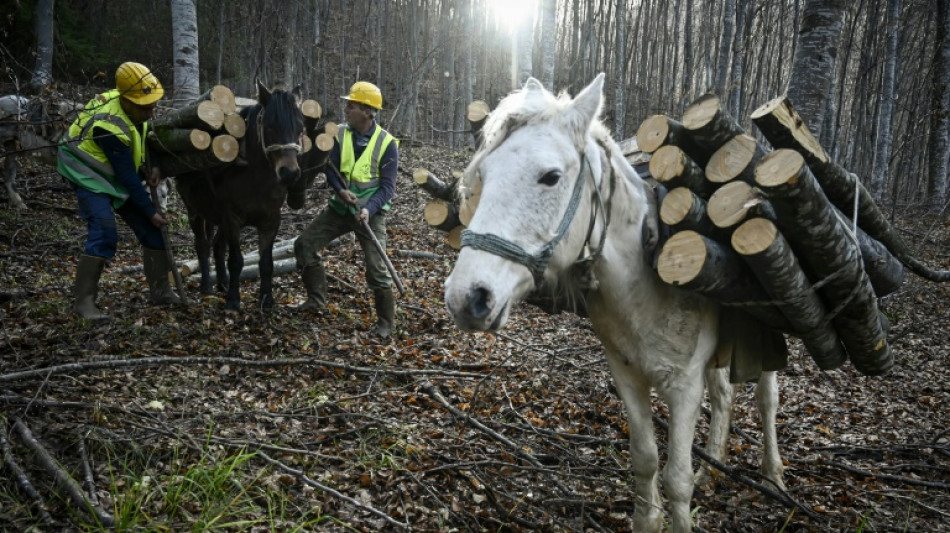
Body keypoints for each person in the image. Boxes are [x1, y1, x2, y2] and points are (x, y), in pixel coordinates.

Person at [58, 61, 179, 321]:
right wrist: (149, 210)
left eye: (153, 106)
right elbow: (126, 177)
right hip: (88, 172)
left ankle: (161, 292)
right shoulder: (109, 126)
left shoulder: (134, 105)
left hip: (112, 173)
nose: (151, 112)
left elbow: (145, 136)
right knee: (104, 231)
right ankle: (85, 304)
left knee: (153, 232)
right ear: (126, 100)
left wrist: (154, 164)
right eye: (146, 108)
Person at [294, 81, 398, 338]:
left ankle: (386, 323)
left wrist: (369, 209)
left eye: (351, 106)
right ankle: (316, 299)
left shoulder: (387, 143)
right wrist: (340, 191)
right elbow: (329, 167)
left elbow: (387, 187)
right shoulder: (339, 133)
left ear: (367, 111)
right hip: (340, 209)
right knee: (304, 245)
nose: (346, 109)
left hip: (369, 216)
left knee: (377, 270)